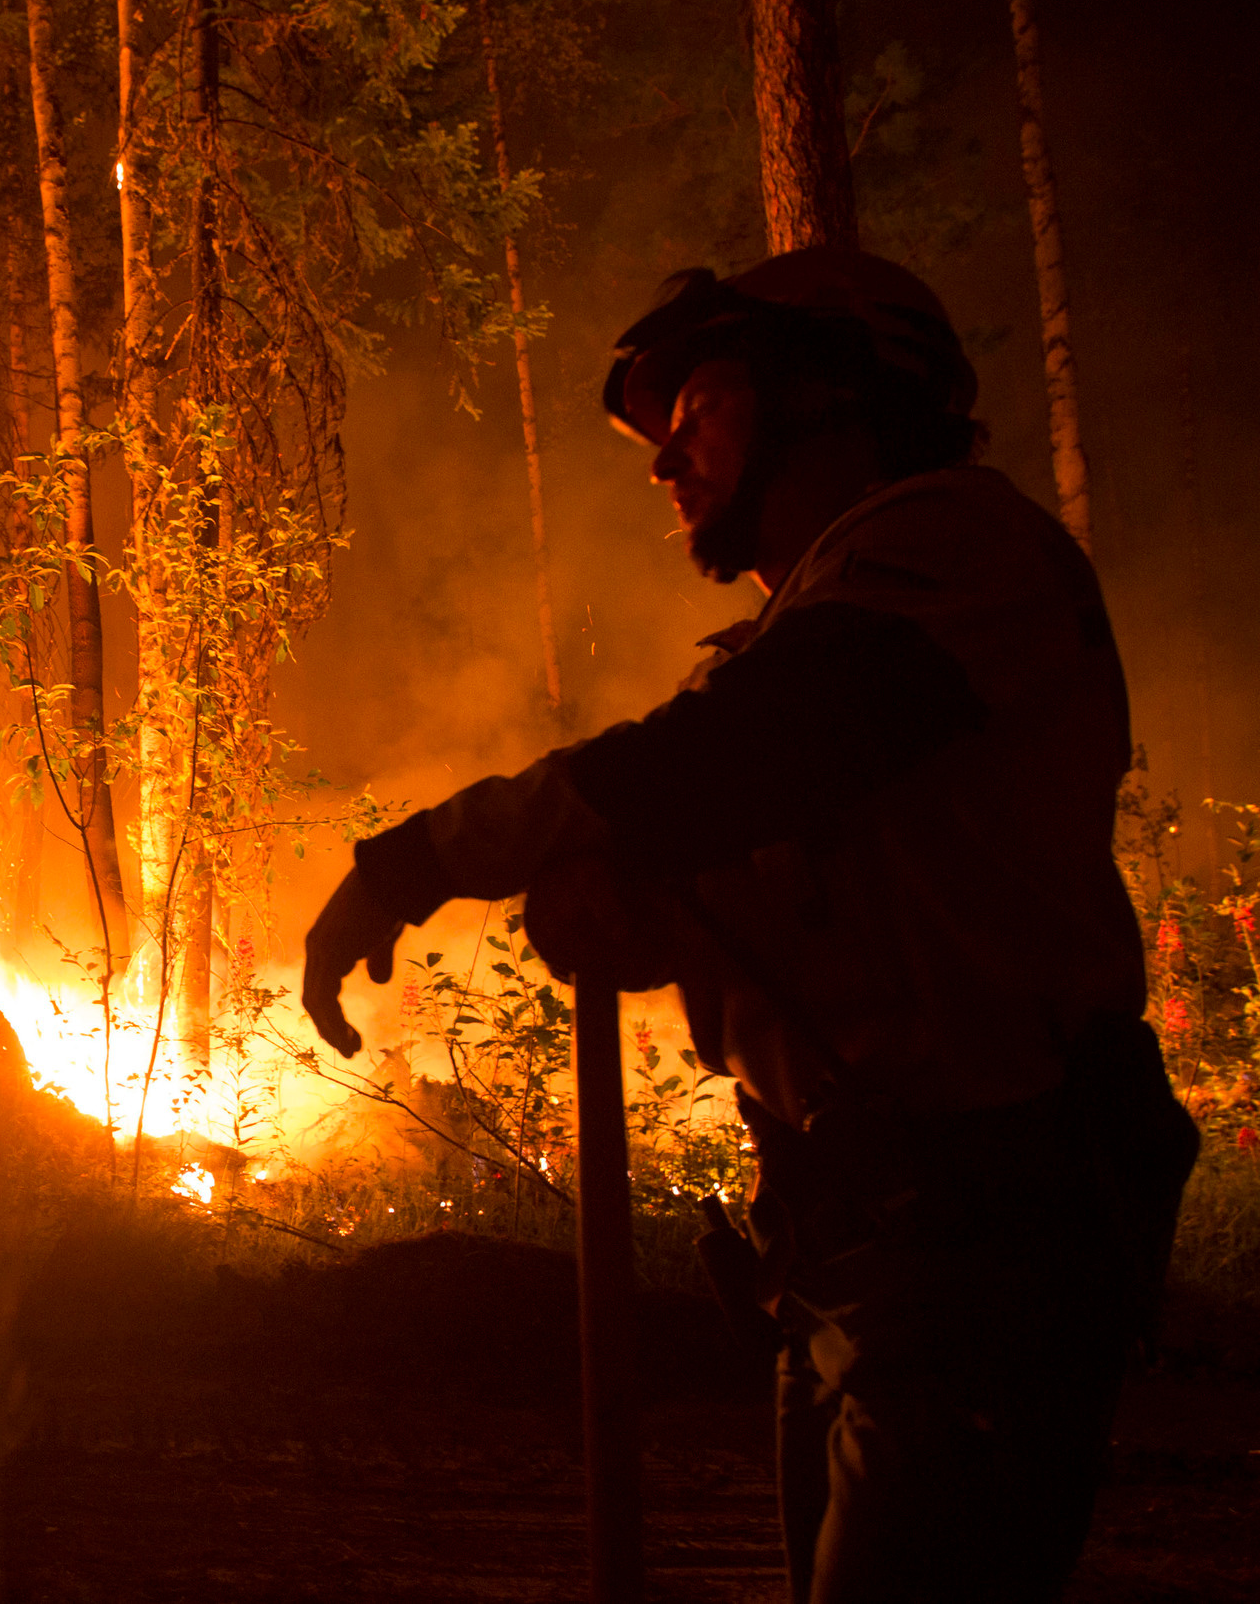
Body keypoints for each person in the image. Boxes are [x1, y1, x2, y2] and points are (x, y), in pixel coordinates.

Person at [300, 249, 1198, 1603]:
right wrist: (625, 895)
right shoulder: (821, 629)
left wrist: (426, 857)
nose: (668, 461)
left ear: (838, 396)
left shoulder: (956, 551)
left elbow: (744, 760)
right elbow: (768, 866)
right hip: (855, 1246)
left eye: (703, 406)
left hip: (980, 1242)